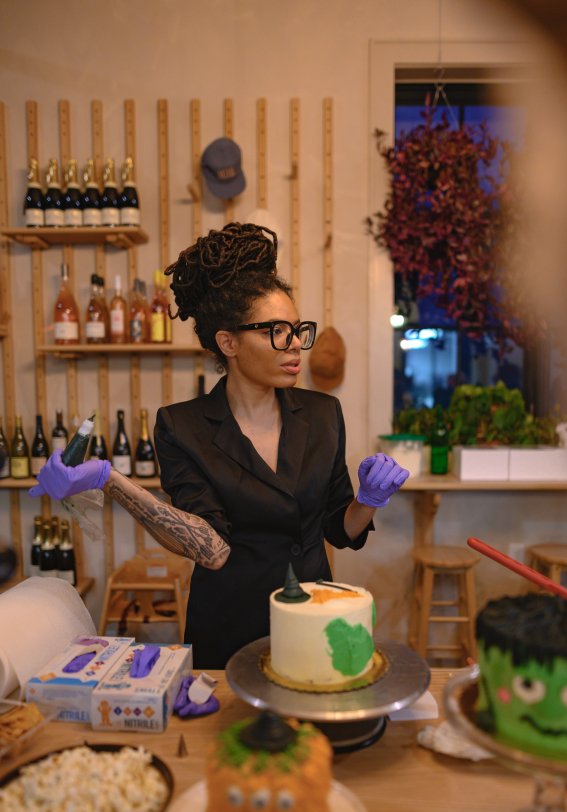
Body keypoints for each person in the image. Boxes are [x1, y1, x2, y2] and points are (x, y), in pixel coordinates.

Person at [30, 223, 409, 667]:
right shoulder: (182, 426)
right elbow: (211, 549)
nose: (295, 345)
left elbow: (337, 530)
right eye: (276, 331)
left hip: (312, 621)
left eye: (297, 329)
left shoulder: (323, 413)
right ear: (228, 342)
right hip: (229, 630)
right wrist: (110, 480)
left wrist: (368, 501)